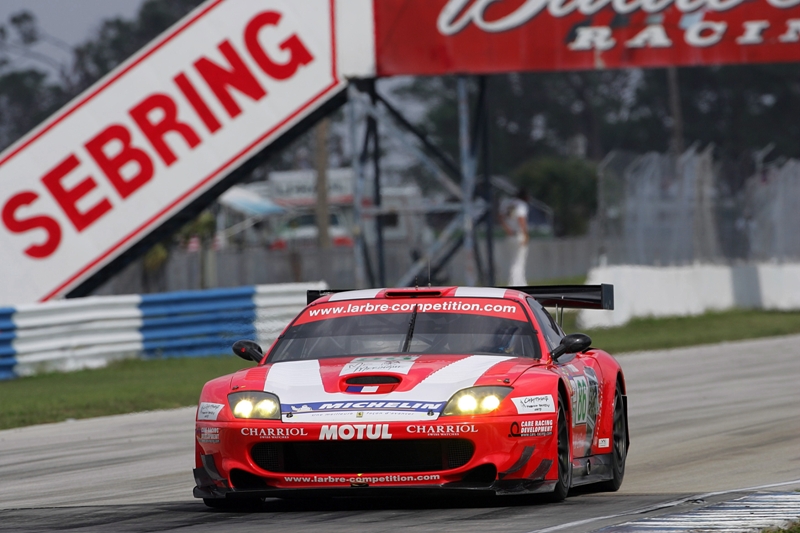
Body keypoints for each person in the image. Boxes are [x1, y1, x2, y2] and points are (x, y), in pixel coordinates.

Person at [502, 189, 530, 286]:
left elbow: (500, 216)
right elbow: (521, 218)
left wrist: (507, 228)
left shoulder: (509, 204)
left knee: (513, 260)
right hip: (518, 233)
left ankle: (519, 282)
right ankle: (516, 283)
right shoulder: (521, 204)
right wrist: (525, 233)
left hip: (510, 235)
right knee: (519, 261)